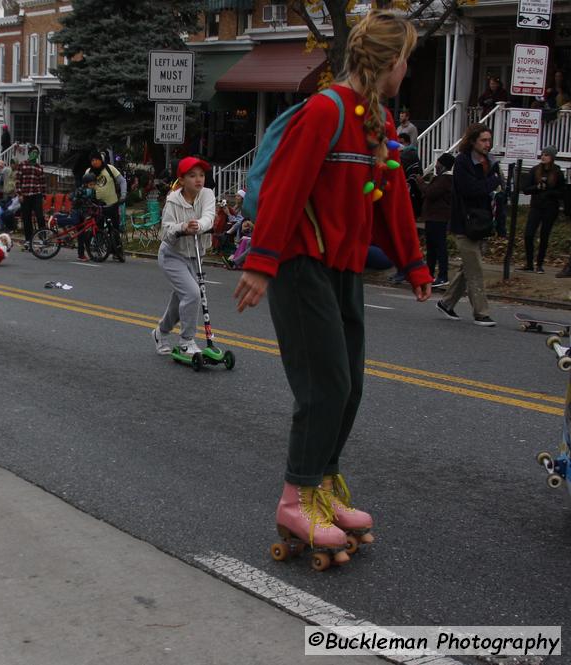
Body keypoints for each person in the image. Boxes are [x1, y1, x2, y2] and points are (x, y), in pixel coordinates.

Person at [233, 11, 432, 563]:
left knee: (350, 387)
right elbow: (285, 187)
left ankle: (322, 485)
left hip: (342, 270)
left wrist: (413, 264)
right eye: (407, 60)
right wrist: (261, 262)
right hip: (300, 265)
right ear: (392, 64)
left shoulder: (378, 123)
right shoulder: (325, 110)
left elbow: (391, 199)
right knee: (325, 385)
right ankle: (296, 497)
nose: (407, 69)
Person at [436, 123, 502, 326]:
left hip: (482, 222)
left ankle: (446, 303)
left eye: (489, 140)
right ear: (473, 141)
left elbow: (500, 190)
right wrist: (493, 182)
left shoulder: (490, 162)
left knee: (468, 267)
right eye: (483, 140)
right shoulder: (463, 162)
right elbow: (470, 189)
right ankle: (481, 312)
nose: (487, 144)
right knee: (476, 269)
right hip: (464, 223)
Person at [152, 157, 216, 356]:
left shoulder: (207, 195)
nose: (199, 180)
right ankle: (187, 340)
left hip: (195, 256)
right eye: (192, 175)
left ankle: (160, 332)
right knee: (192, 294)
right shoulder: (173, 200)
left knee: (181, 301)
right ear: (181, 180)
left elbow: (209, 217)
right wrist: (182, 227)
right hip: (172, 255)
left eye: (202, 175)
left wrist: (198, 225)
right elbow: (166, 230)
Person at [519, 146, 566, 273]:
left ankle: (539, 264)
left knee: (544, 236)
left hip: (550, 208)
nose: (543, 157)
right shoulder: (535, 170)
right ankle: (529, 263)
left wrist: (550, 192)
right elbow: (526, 189)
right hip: (536, 206)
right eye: (543, 154)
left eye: (547, 155)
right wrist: (537, 187)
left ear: (552, 157)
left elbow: (562, 192)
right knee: (529, 234)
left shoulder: (557, 172)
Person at [417, 153, 454, 288]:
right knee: (432, 247)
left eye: (438, 163)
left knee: (439, 247)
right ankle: (430, 274)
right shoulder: (440, 179)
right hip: (433, 217)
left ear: (443, 165)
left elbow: (431, 193)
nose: (436, 165)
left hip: (438, 218)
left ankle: (442, 275)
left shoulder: (445, 180)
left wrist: (421, 183)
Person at [88, 151, 127, 262]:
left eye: (96, 159)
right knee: (98, 228)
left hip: (112, 204)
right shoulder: (89, 172)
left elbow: (122, 181)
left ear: (101, 160)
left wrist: (123, 196)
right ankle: (99, 249)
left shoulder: (110, 168)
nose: (94, 162)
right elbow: (84, 185)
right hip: (97, 206)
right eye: (92, 160)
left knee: (114, 228)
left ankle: (117, 251)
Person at [14, 144, 47, 246]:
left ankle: (43, 238)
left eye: (36, 154)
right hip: (25, 194)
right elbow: (18, 180)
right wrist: (19, 194)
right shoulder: (22, 165)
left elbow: (42, 182)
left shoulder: (39, 168)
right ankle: (29, 239)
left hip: (36, 194)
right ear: (29, 154)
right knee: (26, 218)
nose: (34, 155)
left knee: (40, 216)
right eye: (33, 153)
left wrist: (43, 195)